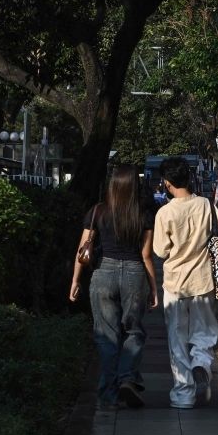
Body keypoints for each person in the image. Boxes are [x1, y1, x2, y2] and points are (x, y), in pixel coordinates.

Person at [69, 165, 159, 411]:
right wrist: (153, 288)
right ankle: (127, 378)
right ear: (135, 187)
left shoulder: (97, 211)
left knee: (106, 336)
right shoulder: (144, 214)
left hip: (103, 272)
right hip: (134, 272)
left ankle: (109, 395)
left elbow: (82, 251)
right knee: (134, 331)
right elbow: (147, 254)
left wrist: (75, 281)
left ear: (112, 185)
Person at [154, 156, 218, 409]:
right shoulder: (206, 205)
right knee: (204, 332)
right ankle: (201, 364)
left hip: (175, 282)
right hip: (203, 279)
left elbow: (161, 250)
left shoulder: (165, 212)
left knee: (177, 339)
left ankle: (184, 394)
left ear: (167, 182)